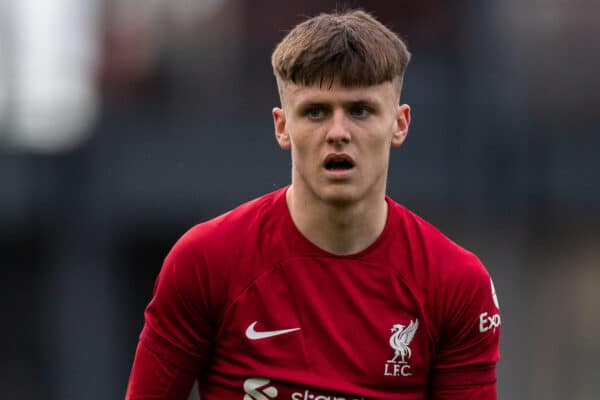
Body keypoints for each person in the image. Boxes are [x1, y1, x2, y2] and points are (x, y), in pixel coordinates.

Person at [126, 9, 501, 400]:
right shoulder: (204, 261)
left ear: (400, 123)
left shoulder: (455, 282)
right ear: (282, 126)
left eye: (360, 110)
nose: (338, 133)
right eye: (316, 112)